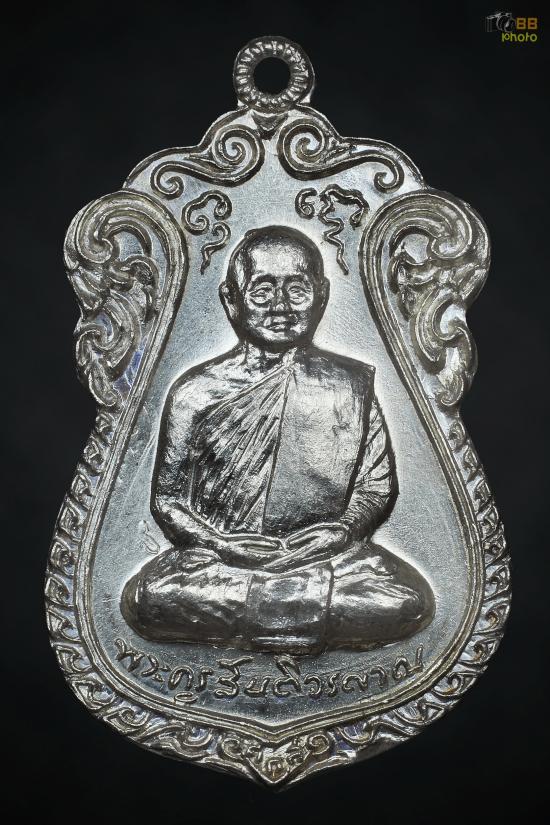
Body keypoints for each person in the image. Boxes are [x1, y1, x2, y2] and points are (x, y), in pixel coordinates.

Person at [121, 226, 434, 653]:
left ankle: (259, 613)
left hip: (329, 558)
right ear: (231, 299)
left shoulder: (350, 383)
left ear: (322, 295)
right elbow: (168, 501)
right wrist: (221, 544)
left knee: (408, 601)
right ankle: (294, 609)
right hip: (220, 563)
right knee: (149, 599)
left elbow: (375, 488)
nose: (281, 307)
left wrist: (343, 532)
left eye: (297, 290)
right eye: (263, 291)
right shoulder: (195, 392)